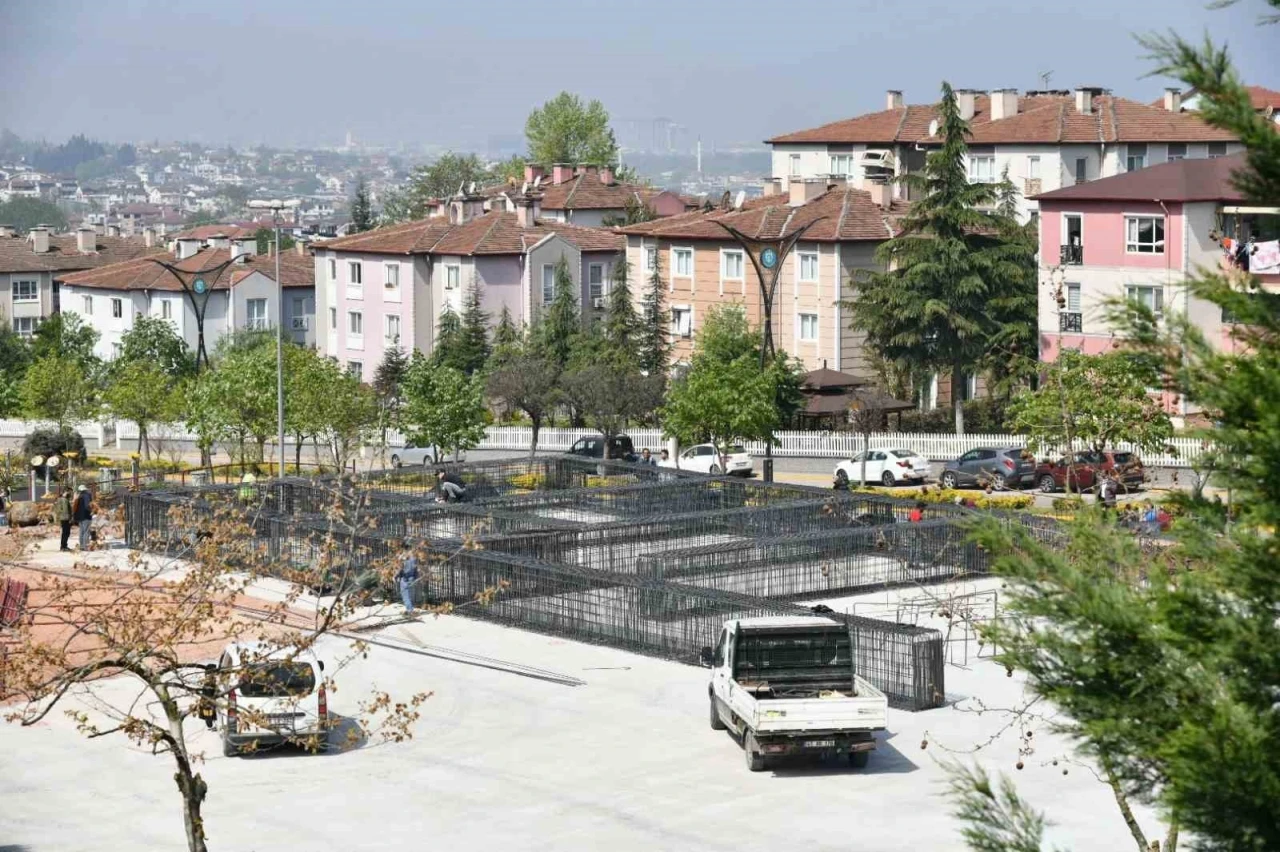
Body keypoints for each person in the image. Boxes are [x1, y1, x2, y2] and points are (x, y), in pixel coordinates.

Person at [396, 541, 419, 615]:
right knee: (410, 595)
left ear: (402, 548)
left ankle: (410, 610)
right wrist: (416, 577)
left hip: (405, 578)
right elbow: (416, 568)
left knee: (405, 595)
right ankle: (409, 609)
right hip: (412, 577)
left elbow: (400, 568)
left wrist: (396, 576)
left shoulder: (402, 557)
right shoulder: (414, 557)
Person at [72, 484, 93, 551]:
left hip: (79, 516)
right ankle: (85, 546)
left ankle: (81, 546)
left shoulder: (78, 496)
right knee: (86, 531)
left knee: (81, 531)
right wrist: (91, 511)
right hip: (86, 516)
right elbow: (87, 506)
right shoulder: (86, 495)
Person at [197, 663, 218, 729]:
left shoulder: (209, 681)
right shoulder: (209, 682)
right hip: (208, 701)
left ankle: (210, 669)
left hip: (208, 700)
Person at [53, 488, 73, 552]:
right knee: (66, 532)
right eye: (69, 492)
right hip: (65, 518)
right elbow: (65, 510)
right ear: (65, 492)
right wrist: (69, 519)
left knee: (65, 532)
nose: (70, 493)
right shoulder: (64, 500)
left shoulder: (60, 499)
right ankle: (63, 546)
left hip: (63, 518)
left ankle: (63, 546)